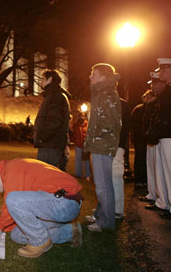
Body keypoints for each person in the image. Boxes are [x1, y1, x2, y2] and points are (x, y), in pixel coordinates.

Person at [0, 158, 83, 258]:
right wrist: (1, 228)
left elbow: (12, 204)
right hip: (54, 206)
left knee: (12, 199)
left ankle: (40, 241)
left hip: (66, 202)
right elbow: (20, 213)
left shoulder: (12, 170)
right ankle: (70, 232)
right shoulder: (10, 170)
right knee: (16, 235)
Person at [84, 63, 122, 232]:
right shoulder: (101, 93)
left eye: (93, 74)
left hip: (102, 145)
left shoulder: (108, 95)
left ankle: (106, 221)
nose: (90, 77)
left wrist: (94, 134)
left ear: (103, 77)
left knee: (103, 185)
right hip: (99, 144)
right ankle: (100, 214)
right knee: (101, 183)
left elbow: (112, 122)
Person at [140, 71, 167, 209]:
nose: (153, 86)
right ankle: (157, 196)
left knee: (164, 171)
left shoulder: (163, 98)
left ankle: (163, 200)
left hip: (163, 136)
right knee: (155, 169)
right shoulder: (156, 100)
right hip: (156, 136)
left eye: (156, 82)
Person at [33, 69, 71, 168]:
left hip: (50, 144)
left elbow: (55, 121)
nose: (41, 81)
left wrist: (42, 137)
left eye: (43, 79)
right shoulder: (54, 96)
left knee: (45, 176)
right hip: (51, 143)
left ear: (50, 79)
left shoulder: (56, 97)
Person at [149, 58, 171, 219]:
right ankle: (167, 203)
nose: (161, 73)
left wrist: (157, 130)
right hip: (165, 135)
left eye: (164, 70)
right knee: (166, 171)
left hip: (168, 135)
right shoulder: (168, 90)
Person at [112, 97, 131, 219]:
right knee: (109, 179)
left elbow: (122, 127)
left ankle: (117, 210)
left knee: (116, 177)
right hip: (113, 144)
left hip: (116, 145)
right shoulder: (118, 103)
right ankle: (108, 207)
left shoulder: (120, 104)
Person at [131, 90, 155, 188]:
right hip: (140, 138)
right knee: (140, 159)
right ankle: (139, 179)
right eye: (147, 97)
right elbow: (133, 124)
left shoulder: (152, 108)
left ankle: (145, 180)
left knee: (147, 160)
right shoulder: (138, 109)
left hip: (147, 139)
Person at [71, 112, 91, 180]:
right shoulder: (76, 124)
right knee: (78, 160)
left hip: (85, 145)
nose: (82, 117)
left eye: (83, 116)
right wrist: (75, 140)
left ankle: (87, 175)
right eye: (81, 116)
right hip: (78, 145)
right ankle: (78, 174)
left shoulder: (87, 124)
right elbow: (73, 133)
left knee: (86, 160)